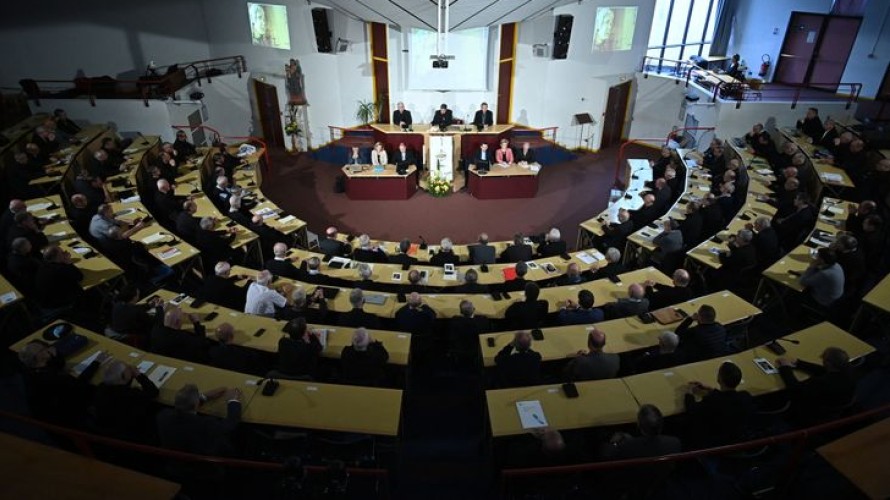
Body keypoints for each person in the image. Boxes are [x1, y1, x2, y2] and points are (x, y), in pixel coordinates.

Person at [18, 340, 109, 425]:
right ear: (39, 357)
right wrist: (97, 362)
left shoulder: (31, 367)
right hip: (61, 409)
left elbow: (58, 365)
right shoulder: (50, 377)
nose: (47, 349)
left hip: (53, 398)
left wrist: (55, 355)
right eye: (43, 349)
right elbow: (79, 383)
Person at [156, 383, 242, 458]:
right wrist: (233, 400)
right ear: (196, 403)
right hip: (200, 469)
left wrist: (204, 397)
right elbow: (229, 425)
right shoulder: (205, 424)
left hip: (172, 462)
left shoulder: (163, 415)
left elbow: (184, 406)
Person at [777, 347, 854, 425]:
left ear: (828, 363)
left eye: (823, 357)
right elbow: (824, 370)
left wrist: (784, 368)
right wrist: (799, 363)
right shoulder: (848, 370)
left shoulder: (822, 383)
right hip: (833, 408)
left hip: (812, 412)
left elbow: (795, 389)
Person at [685, 361, 755, 447]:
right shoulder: (745, 396)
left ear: (719, 379)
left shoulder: (712, 401)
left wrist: (689, 393)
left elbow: (692, 410)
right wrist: (712, 390)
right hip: (737, 438)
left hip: (714, 443)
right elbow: (725, 397)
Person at [93, 360, 159, 441]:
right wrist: (138, 375)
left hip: (106, 430)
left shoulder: (102, 387)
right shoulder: (132, 394)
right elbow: (153, 392)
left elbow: (123, 383)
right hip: (132, 434)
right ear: (123, 375)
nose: (131, 369)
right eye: (128, 368)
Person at [603, 404, 681, 460]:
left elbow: (607, 454)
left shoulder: (627, 447)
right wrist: (632, 441)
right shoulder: (675, 443)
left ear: (639, 425)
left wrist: (613, 443)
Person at [34, 245, 83, 311]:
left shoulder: (44, 264)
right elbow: (80, 277)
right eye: (63, 252)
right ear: (58, 257)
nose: (65, 253)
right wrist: (69, 262)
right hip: (58, 303)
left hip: (44, 300)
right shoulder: (59, 269)